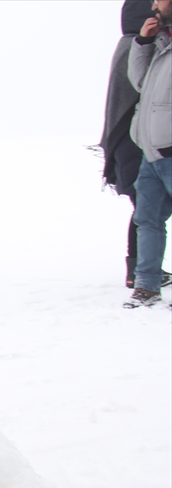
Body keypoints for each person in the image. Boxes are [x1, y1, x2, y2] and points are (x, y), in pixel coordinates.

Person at [100, 0, 161, 289]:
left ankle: (137, 271)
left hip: (129, 142)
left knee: (146, 211)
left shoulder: (127, 45)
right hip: (138, 142)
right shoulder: (141, 47)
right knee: (147, 211)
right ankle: (138, 272)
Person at [124, 0, 172, 308]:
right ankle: (147, 286)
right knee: (147, 220)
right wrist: (142, 43)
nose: (154, 4)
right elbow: (139, 82)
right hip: (151, 152)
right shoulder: (161, 43)